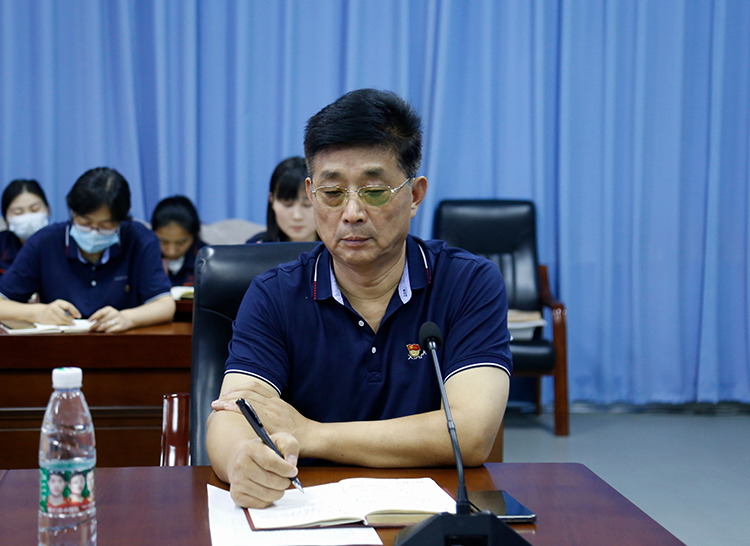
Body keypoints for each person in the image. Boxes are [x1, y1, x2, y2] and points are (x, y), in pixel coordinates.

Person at [207, 89, 511, 509]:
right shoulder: (273, 294)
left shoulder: (468, 283)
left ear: (415, 195)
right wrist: (241, 459)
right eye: (333, 193)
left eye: (374, 191)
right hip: (305, 511)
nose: (351, 213)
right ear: (312, 194)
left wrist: (312, 434)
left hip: (433, 514)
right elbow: (232, 415)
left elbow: (471, 434)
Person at [0, 167, 175, 332]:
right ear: (72, 211)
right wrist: (38, 312)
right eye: (85, 222)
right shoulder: (44, 242)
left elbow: (165, 305)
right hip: (59, 345)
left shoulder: (140, 239)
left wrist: (127, 318)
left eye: (105, 225)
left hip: (122, 342)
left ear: (122, 219)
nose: (94, 231)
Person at [247, 156, 319, 243]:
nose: (297, 216)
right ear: (272, 200)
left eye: (307, 204)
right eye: (287, 204)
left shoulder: (333, 247)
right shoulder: (256, 245)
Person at [151, 195, 207, 286]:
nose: (171, 252)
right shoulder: (143, 256)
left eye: (181, 243)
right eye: (164, 242)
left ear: (193, 236)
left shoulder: (207, 258)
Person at [0, 179, 51, 277]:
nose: (28, 217)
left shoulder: (63, 243)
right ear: (6, 218)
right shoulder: (2, 246)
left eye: (35, 209)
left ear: (48, 210)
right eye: (18, 212)